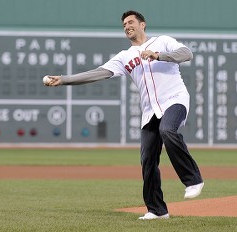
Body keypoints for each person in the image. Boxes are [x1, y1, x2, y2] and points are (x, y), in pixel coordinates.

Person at [44, 10, 204, 220]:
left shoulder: (163, 41)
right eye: (124, 25)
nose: (127, 26)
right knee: (147, 159)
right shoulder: (124, 56)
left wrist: (159, 55)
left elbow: (187, 54)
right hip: (150, 112)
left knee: (168, 130)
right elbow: (98, 73)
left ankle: (193, 179)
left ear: (142, 25)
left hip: (175, 99)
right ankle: (157, 210)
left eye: (131, 22)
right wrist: (64, 79)